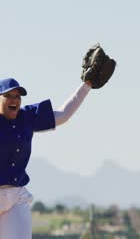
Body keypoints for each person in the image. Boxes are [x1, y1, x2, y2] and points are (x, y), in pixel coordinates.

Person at [0, 74, 98, 238]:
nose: (14, 100)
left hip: (16, 196)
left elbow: (63, 114)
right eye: (8, 95)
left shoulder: (27, 117)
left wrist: (86, 85)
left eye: (17, 96)